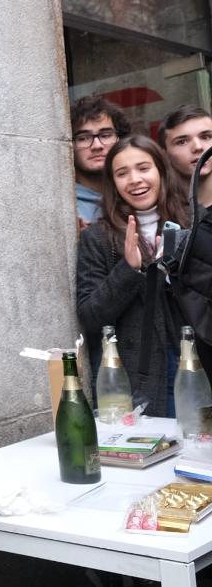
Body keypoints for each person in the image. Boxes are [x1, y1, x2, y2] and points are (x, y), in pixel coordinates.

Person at [76, 135, 189, 417]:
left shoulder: (193, 223)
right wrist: (129, 269)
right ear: (113, 183)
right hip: (139, 373)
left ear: (161, 171)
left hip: (195, 360)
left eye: (143, 168)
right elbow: (90, 316)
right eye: (122, 173)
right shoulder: (98, 237)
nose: (135, 179)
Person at [70, 95, 129, 228]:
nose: (97, 145)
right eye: (83, 138)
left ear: (119, 139)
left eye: (106, 135)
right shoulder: (66, 206)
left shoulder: (136, 191)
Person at [159, 104, 212, 208]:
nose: (198, 147)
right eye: (182, 142)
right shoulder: (163, 214)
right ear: (164, 154)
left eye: (206, 137)